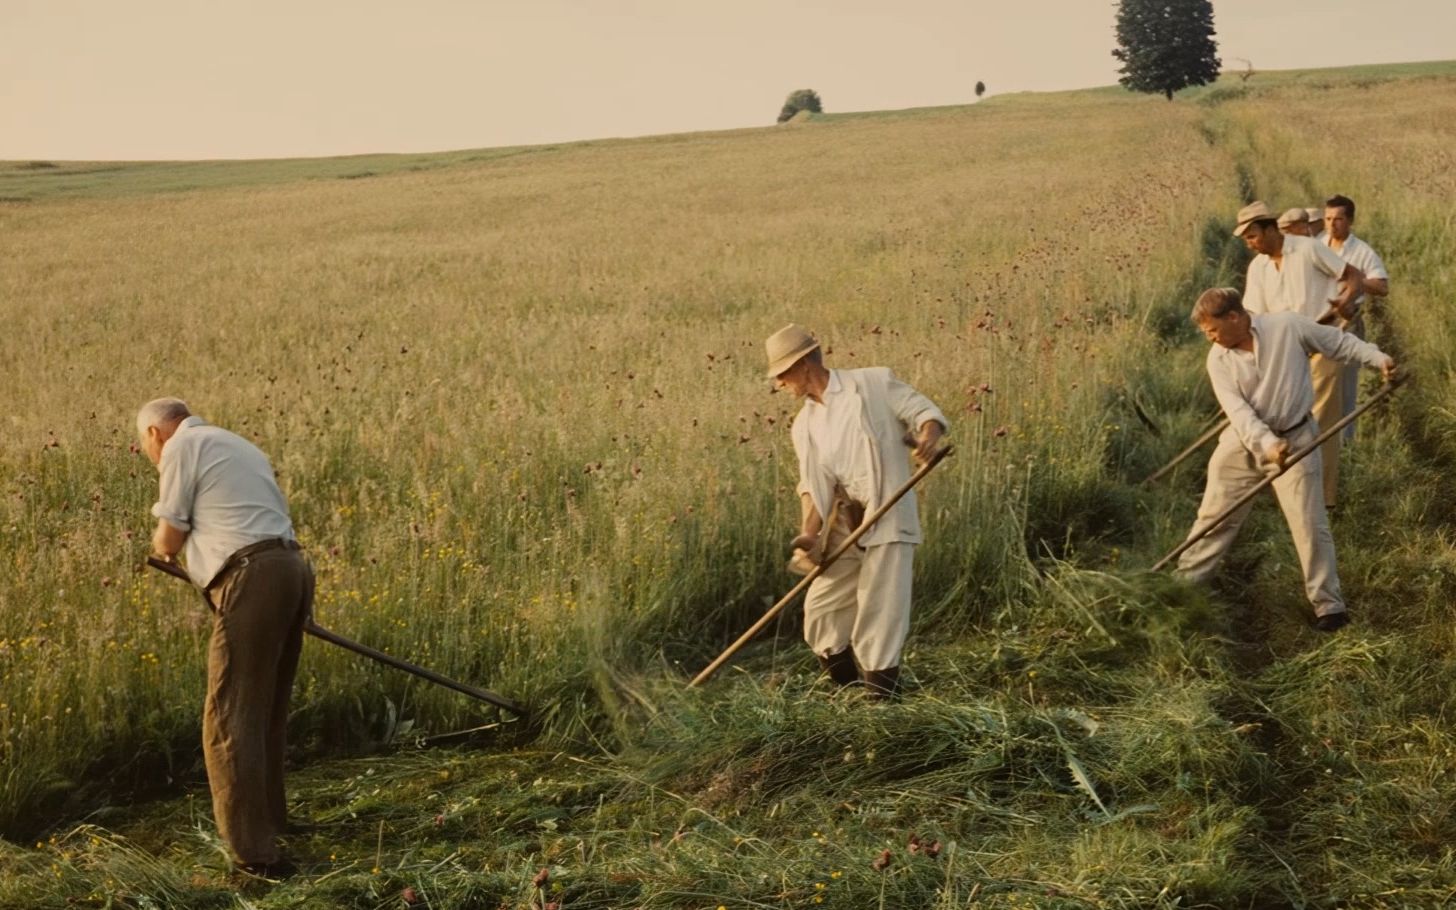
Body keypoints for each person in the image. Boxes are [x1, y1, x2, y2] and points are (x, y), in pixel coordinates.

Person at [137, 398, 313, 877]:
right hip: (291, 568)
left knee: (229, 717)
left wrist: (160, 547)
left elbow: (169, 535)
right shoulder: (236, 443)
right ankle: (273, 822)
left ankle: (254, 855)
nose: (150, 456)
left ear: (155, 433)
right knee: (266, 707)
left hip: (253, 575)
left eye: (145, 446)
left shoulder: (181, 446)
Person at [1175, 289, 1395, 632]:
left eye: (1213, 330)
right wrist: (1267, 443)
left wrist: (1378, 358)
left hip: (1297, 437)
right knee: (1215, 519)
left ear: (1234, 316)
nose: (1210, 338)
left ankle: (1329, 607)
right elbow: (1240, 414)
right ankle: (1182, 587)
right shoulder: (1218, 359)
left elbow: (1339, 343)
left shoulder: (1286, 327)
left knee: (1309, 523)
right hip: (1243, 443)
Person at [765, 324, 947, 698]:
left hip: (887, 511)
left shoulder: (872, 385)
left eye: (781, 375)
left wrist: (928, 439)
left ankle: (881, 702)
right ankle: (849, 692)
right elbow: (813, 487)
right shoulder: (804, 426)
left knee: (879, 611)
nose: (779, 384)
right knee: (821, 610)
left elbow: (924, 412)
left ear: (802, 365)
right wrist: (809, 536)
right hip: (844, 523)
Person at [1234, 200, 1366, 509]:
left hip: (1322, 338)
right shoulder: (1258, 268)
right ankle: (1285, 484)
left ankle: (1323, 498)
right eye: (1246, 239)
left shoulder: (1307, 249)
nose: (1251, 244)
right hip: (1285, 350)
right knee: (1283, 417)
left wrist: (1346, 300)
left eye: (1253, 236)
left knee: (1321, 420)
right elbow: (1255, 317)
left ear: (1270, 228)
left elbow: (1355, 277)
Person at [1322, 194, 1391, 438]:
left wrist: (1356, 280)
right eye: (1328, 218)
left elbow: (1382, 287)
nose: (1332, 224)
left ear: (1350, 221)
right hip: (1318, 324)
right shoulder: (1318, 246)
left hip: (1346, 323)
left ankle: (1345, 449)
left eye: (1338, 219)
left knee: (1344, 390)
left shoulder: (1362, 252)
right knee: (1316, 388)